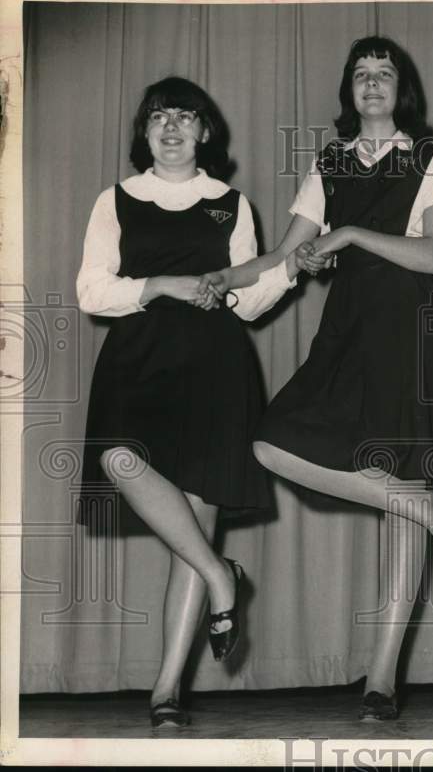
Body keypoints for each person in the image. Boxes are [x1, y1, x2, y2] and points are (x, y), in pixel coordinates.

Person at [202, 36, 433, 721]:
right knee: (273, 442)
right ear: (349, 90)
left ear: (401, 87)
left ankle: (381, 679)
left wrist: (349, 234)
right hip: (348, 333)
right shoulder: (328, 163)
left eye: (384, 73)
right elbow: (284, 254)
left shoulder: (430, 158)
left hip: (412, 327)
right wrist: (219, 277)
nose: (373, 82)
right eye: (361, 73)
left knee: (400, 496)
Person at [76, 77, 296, 729]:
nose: (170, 127)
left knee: (189, 538)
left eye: (184, 117)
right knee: (118, 457)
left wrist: (286, 269)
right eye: (158, 118)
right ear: (144, 133)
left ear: (205, 131)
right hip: (137, 362)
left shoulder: (230, 203)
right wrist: (164, 283)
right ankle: (224, 577)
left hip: (214, 368)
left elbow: (247, 298)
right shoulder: (116, 200)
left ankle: (167, 689)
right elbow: (92, 289)